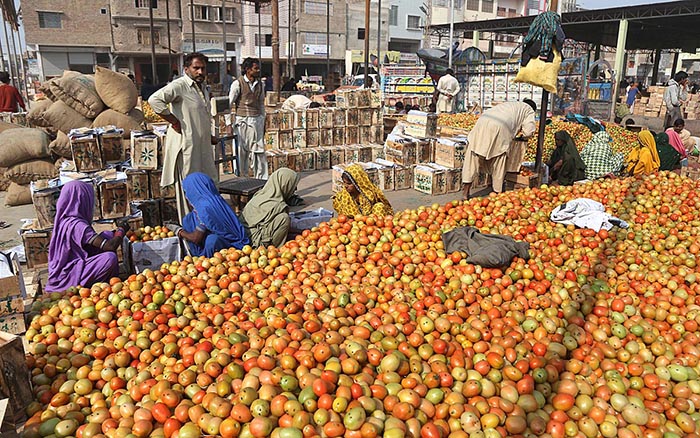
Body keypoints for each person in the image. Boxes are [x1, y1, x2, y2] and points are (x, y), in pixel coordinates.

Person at [148, 52, 219, 222]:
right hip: (187, 147)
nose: (200, 72)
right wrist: (174, 121)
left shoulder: (203, 88)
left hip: (202, 147)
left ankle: (207, 222)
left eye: (203, 68)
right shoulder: (179, 85)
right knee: (190, 188)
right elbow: (154, 100)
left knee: (209, 183)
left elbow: (199, 117)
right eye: (196, 68)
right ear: (186, 69)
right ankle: (190, 227)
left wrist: (209, 136)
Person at [46, 181, 128, 293]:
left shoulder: (64, 220)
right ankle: (97, 287)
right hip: (69, 274)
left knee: (106, 235)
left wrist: (112, 234)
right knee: (110, 258)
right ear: (82, 201)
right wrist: (121, 231)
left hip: (64, 269)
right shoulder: (77, 225)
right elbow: (110, 246)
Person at [461, 100, 538, 199]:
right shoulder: (529, 110)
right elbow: (529, 131)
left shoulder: (510, 103)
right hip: (501, 127)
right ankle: (497, 193)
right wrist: (524, 137)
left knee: (472, 159)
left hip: (482, 121)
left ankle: (465, 192)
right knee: (499, 161)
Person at [167, 173, 249, 257]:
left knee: (212, 240)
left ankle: (204, 257)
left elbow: (195, 238)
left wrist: (179, 231)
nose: (186, 195)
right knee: (189, 219)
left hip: (231, 246)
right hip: (215, 236)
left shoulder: (205, 208)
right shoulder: (215, 200)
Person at [240, 168, 300, 248]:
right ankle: (274, 249)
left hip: (243, 236)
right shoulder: (277, 205)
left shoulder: (260, 194)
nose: (294, 190)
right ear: (285, 185)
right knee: (283, 219)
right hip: (255, 243)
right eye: (293, 186)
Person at [229, 58, 268, 179]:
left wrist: (263, 120)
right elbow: (229, 104)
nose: (258, 70)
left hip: (256, 121)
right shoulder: (237, 83)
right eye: (255, 68)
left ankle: (261, 180)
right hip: (242, 121)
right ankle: (242, 178)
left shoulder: (261, 84)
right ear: (247, 69)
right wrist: (228, 123)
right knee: (241, 151)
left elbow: (261, 103)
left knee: (259, 152)